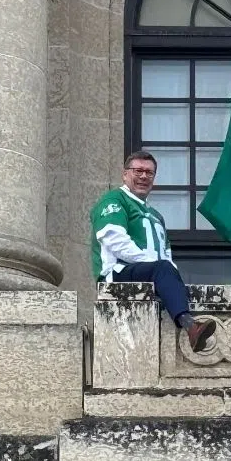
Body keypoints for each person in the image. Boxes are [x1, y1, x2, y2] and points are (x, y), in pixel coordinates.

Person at [90, 150, 216, 352]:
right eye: (137, 170)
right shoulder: (114, 200)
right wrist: (154, 266)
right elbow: (115, 241)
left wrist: (169, 275)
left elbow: (166, 255)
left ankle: (192, 325)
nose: (143, 176)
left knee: (173, 277)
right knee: (163, 269)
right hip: (118, 273)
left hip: (154, 272)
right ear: (125, 174)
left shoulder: (155, 214)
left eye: (149, 172)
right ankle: (189, 324)